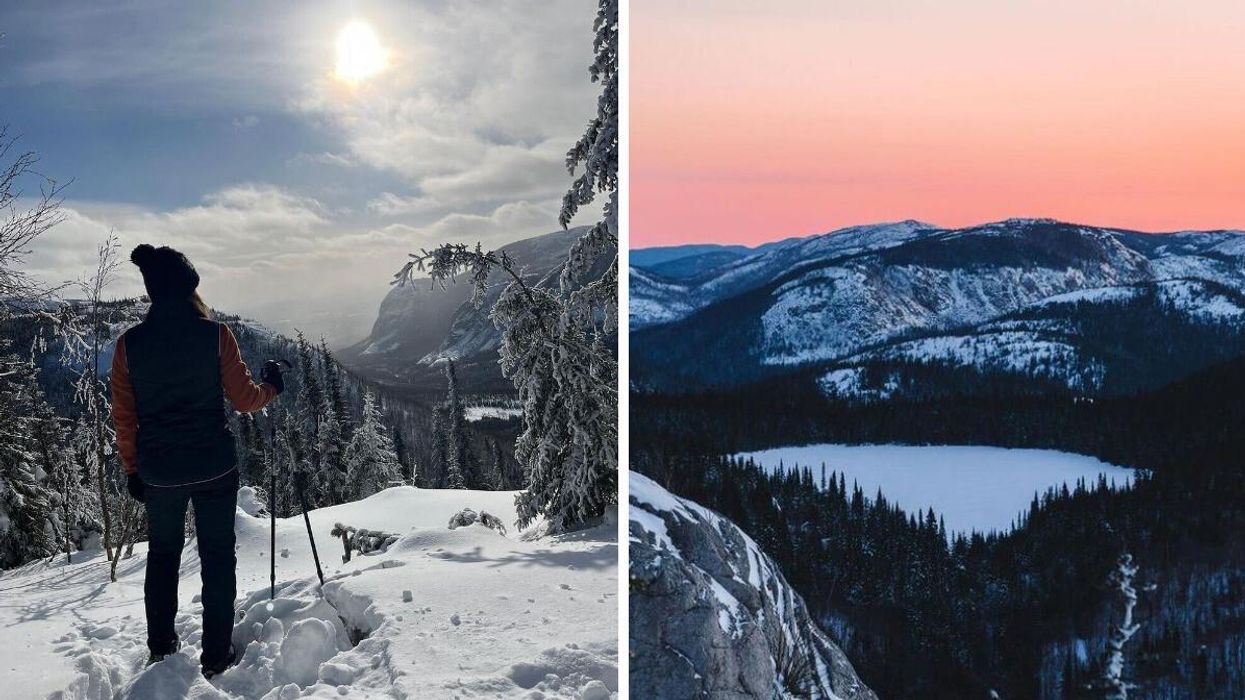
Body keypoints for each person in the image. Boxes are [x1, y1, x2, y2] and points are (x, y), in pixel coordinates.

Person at [110, 244, 285, 678]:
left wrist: (133, 469)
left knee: (163, 556)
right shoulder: (216, 334)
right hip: (213, 465)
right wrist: (272, 388)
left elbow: (124, 417)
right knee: (218, 557)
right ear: (190, 286)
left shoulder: (129, 345)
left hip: (160, 472)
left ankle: (161, 650)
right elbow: (244, 401)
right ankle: (216, 654)